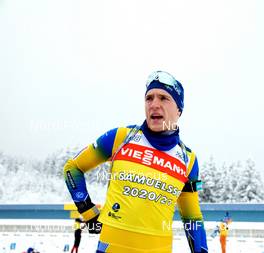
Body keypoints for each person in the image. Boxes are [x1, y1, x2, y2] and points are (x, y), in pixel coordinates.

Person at [64, 70, 208, 253]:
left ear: (179, 110)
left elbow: (193, 217)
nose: (154, 104)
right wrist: (88, 212)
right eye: (149, 98)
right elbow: (73, 167)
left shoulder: (190, 160)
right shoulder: (120, 137)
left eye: (164, 98)